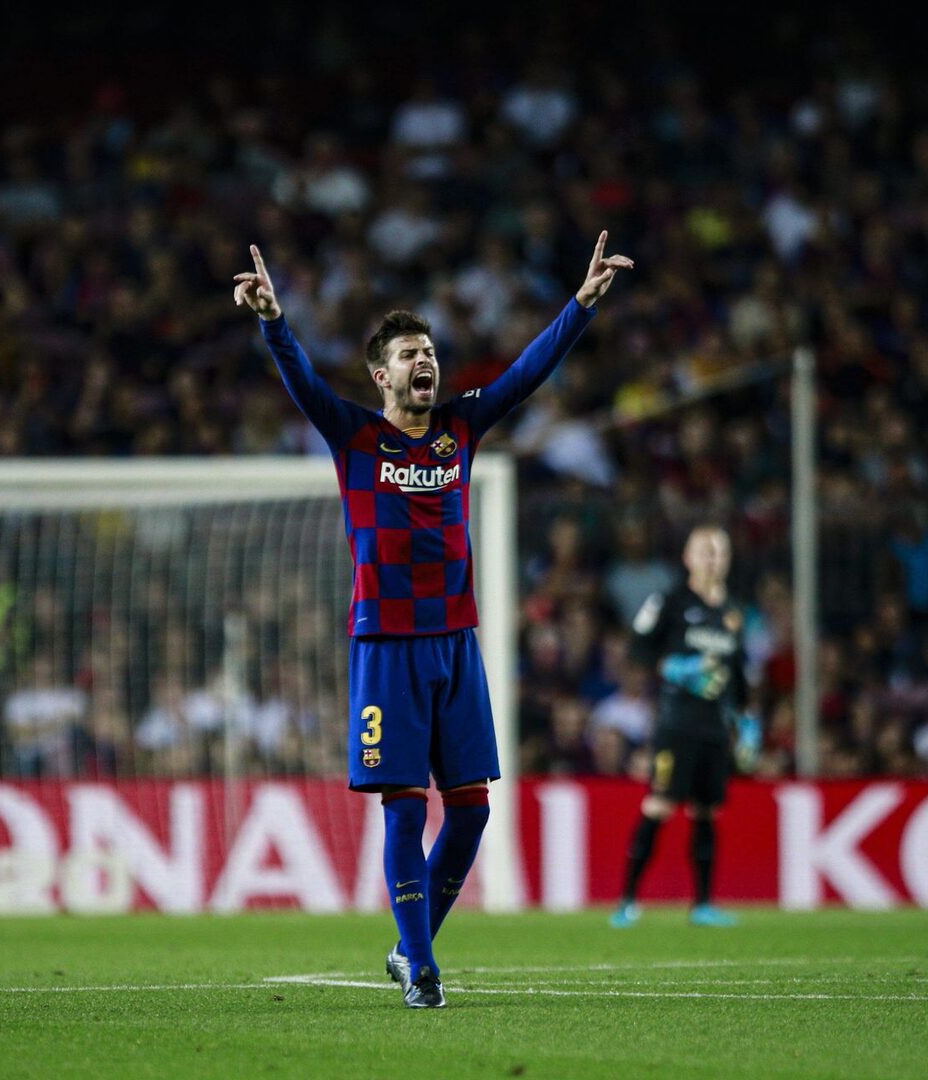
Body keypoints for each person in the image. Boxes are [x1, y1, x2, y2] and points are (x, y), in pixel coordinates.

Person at [233, 233, 633, 1007]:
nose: (426, 361)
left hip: (456, 644)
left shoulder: (460, 429)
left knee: (473, 813)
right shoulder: (356, 436)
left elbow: (526, 374)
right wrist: (273, 320)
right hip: (388, 648)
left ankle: (408, 947)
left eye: (430, 352)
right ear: (381, 375)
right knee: (404, 808)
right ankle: (421, 969)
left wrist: (581, 304)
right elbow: (302, 380)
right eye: (409, 354)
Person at [610, 523, 760, 929]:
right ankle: (627, 900)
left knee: (707, 810)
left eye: (720, 552)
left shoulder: (733, 612)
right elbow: (639, 648)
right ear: (688, 558)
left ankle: (703, 904)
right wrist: (672, 667)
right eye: (705, 551)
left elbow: (737, 671)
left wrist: (747, 719)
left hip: (715, 727)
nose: (713, 559)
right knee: (659, 804)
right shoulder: (671, 601)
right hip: (676, 723)